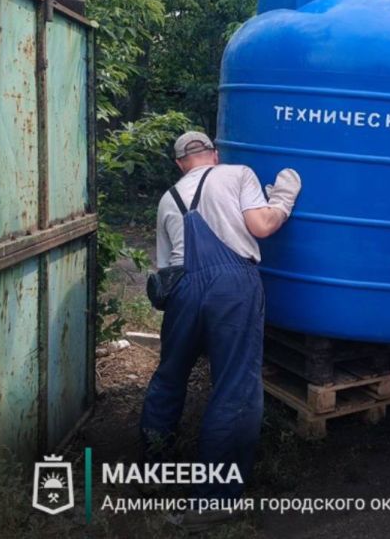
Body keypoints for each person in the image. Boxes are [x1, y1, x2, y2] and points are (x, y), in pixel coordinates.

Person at [140, 131, 301, 514]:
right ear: (214, 154)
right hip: (232, 287)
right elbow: (262, 226)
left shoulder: (167, 199)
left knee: (169, 378)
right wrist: (283, 197)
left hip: (181, 292)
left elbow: (165, 271)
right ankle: (212, 503)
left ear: (180, 163)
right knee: (234, 388)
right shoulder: (237, 173)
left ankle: (153, 473)